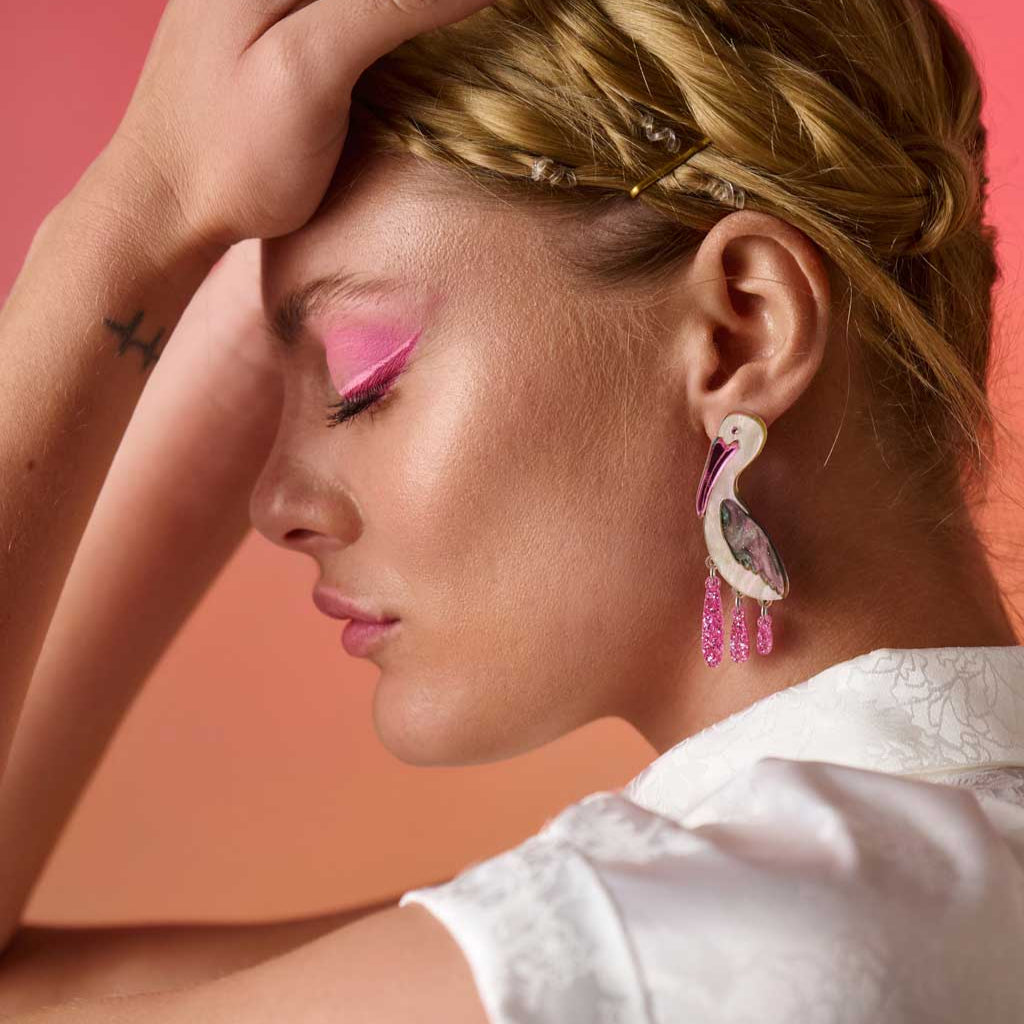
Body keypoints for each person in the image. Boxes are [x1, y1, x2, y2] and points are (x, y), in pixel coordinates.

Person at [0, 0, 1021, 1019]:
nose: (275, 506)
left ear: (741, 332)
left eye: (360, 383)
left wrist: (148, 209)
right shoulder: (832, 901)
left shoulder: (666, 946)